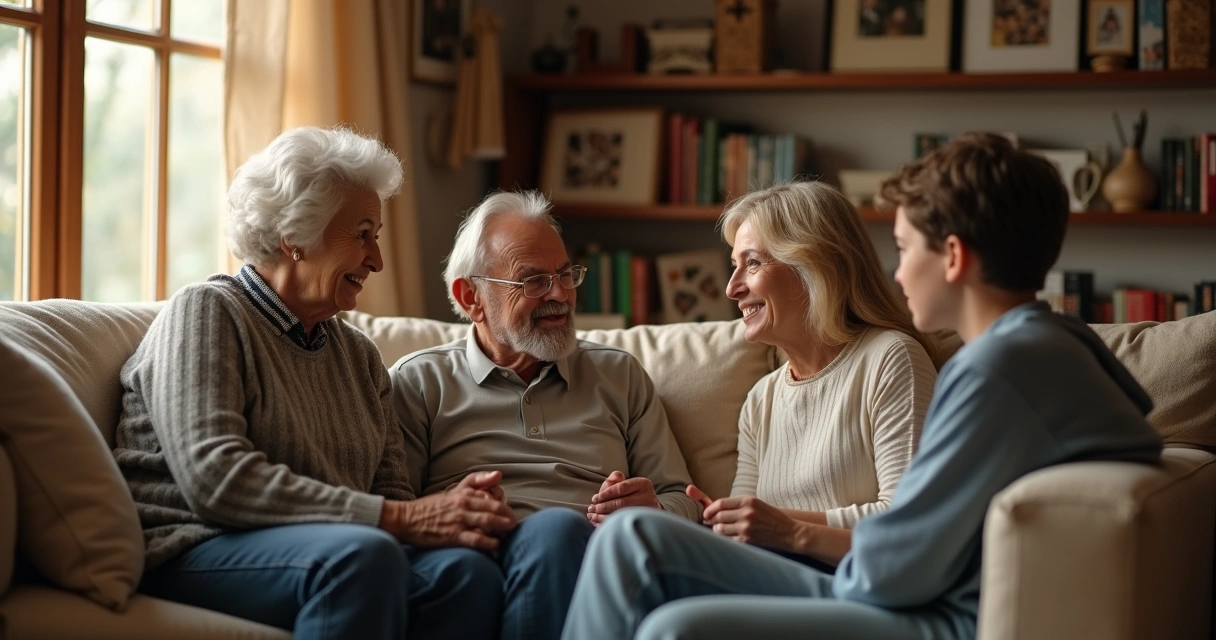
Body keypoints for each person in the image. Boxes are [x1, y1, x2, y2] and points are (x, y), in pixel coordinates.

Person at [560, 132, 1164, 640]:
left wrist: (792, 531)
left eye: (903, 249)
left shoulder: (992, 373)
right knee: (642, 545)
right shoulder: (1044, 351)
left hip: (929, 613)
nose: (897, 272)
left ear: (952, 257)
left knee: (665, 606)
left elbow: (902, 563)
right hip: (907, 592)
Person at [113, 126, 514, 640]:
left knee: (465, 573)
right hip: (197, 544)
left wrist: (452, 512)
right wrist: (399, 518)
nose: (377, 260)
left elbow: (389, 492)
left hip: (333, 547)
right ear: (295, 237)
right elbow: (217, 480)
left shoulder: (358, 356)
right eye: (362, 233)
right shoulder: (208, 312)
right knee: (360, 556)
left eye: (378, 236)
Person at [391, 189, 700, 640]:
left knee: (555, 531)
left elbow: (686, 499)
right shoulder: (418, 382)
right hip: (469, 561)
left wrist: (651, 507)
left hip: (589, 563)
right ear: (471, 296)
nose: (560, 294)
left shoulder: (619, 375)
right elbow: (393, 513)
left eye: (565, 275)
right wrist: (449, 512)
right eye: (533, 281)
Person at [682, 181, 937, 571]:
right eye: (735, 266)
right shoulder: (761, 399)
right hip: (769, 578)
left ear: (815, 266)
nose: (732, 288)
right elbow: (743, 534)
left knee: (635, 537)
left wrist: (783, 527)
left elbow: (907, 523)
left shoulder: (890, 358)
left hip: (848, 583)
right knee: (633, 531)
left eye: (751, 263)